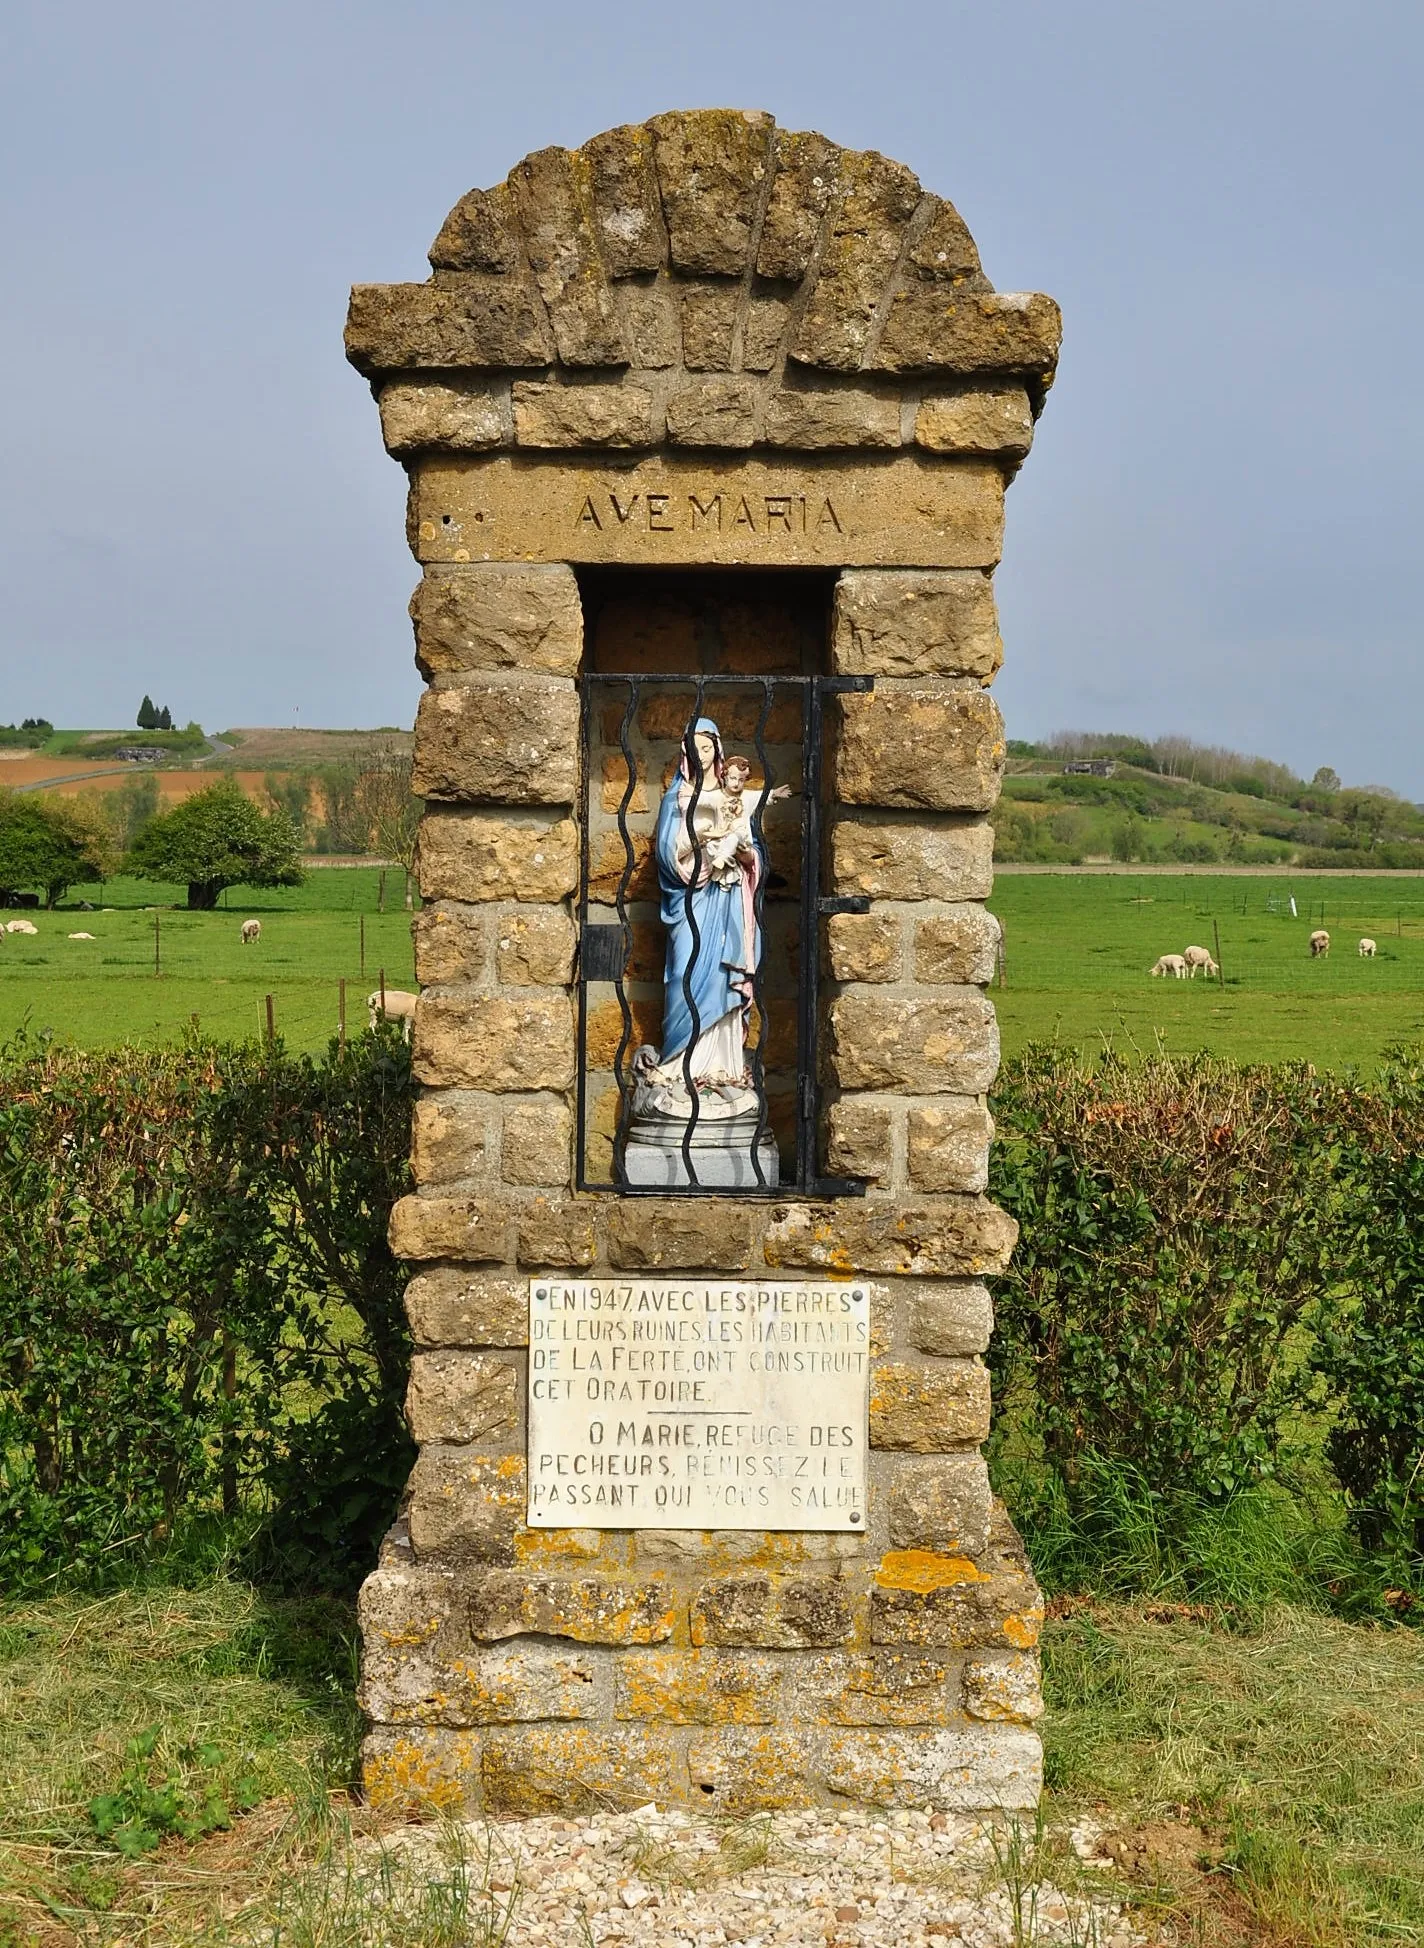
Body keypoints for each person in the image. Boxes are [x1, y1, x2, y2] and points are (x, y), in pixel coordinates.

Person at [640, 718, 789, 1107]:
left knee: (725, 975)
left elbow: (755, 853)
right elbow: (667, 857)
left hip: (727, 899)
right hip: (691, 898)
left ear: (717, 750)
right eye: (692, 748)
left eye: (706, 748)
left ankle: (721, 1066)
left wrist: (743, 854)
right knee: (685, 970)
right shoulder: (678, 796)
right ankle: (678, 1062)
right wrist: (700, 843)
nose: (699, 755)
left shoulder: (732, 794)